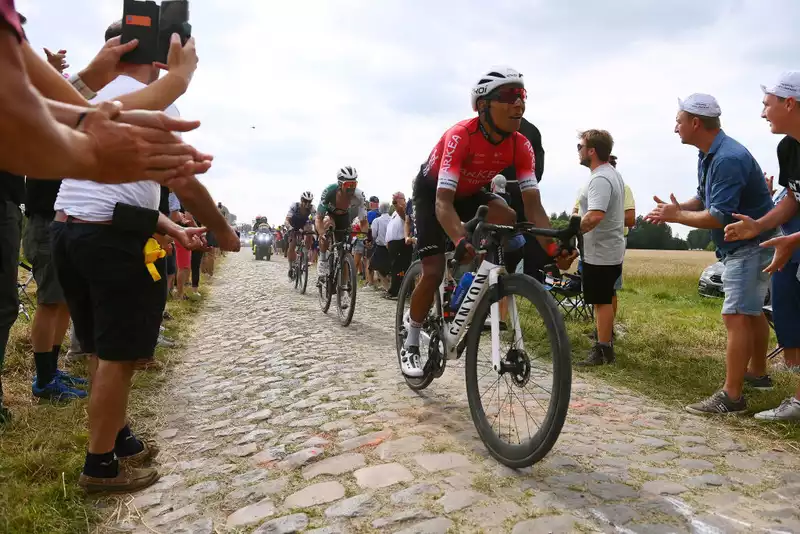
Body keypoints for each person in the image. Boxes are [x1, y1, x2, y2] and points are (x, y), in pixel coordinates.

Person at [400, 66, 562, 378]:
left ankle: (481, 278)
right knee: (433, 271)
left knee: (508, 217)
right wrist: (460, 239)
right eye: (509, 96)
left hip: (472, 191)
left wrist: (554, 247)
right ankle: (411, 336)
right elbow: (443, 203)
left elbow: (534, 207)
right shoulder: (461, 136)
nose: (519, 103)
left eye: (522, 95)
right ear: (483, 105)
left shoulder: (521, 145)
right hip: (434, 192)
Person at [647, 93, 774, 415]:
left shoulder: (727, 158)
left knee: (735, 315)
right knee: (752, 311)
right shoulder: (710, 154)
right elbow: (704, 198)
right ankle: (757, 374)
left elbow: (717, 216)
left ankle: (732, 397)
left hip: (747, 245)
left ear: (695, 122)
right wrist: (675, 209)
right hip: (748, 244)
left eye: (678, 122)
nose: (675, 128)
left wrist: (677, 217)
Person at [724, 72, 800, 421]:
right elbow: (793, 201)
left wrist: (794, 239)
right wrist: (761, 224)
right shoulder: (788, 147)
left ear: (789, 103)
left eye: (766, 105)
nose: (762, 113)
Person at [572, 130, 626, 366]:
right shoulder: (610, 174)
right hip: (608, 248)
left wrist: (573, 231)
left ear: (592, 150)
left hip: (600, 250)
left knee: (601, 299)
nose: (579, 150)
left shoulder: (600, 179)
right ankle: (605, 344)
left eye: (580, 146)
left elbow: (595, 216)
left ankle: (603, 350)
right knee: (604, 297)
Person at [314, 166, 368, 281]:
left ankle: (343, 283)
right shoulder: (329, 191)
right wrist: (322, 234)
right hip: (330, 215)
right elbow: (318, 219)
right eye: (348, 185)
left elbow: (363, 222)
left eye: (354, 184)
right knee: (328, 225)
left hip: (344, 216)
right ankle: (323, 260)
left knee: (345, 249)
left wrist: (363, 237)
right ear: (340, 184)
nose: (351, 189)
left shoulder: (359, 196)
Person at [386, 192, 414, 298]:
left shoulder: (405, 209)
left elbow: (405, 219)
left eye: (396, 199)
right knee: (396, 267)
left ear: (403, 199)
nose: (394, 201)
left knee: (400, 267)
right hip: (394, 243)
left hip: (402, 241)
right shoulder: (394, 212)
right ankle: (397, 290)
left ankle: (397, 291)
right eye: (393, 199)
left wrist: (399, 206)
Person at [285, 191, 316, 278]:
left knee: (309, 230)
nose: (307, 203)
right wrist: (289, 228)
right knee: (292, 246)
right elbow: (287, 220)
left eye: (309, 201)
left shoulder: (312, 208)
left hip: (303, 224)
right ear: (301, 200)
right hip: (293, 224)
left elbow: (316, 220)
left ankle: (305, 254)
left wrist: (317, 229)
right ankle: (291, 267)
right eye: (305, 201)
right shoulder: (295, 206)